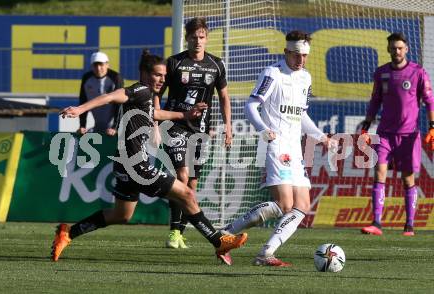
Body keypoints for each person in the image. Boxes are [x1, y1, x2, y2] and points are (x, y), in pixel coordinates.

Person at [51, 50, 247, 262]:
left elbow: (155, 113)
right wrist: (81, 109)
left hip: (125, 164)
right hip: (137, 166)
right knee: (187, 194)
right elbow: (110, 96)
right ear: (144, 73)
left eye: (164, 76)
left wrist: (185, 115)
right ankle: (219, 241)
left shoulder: (145, 96)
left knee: (121, 215)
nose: (162, 80)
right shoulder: (140, 89)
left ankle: (68, 233)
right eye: (157, 75)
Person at [220, 30, 334, 266]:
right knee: (284, 205)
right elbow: (251, 105)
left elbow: (301, 114)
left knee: (302, 206)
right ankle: (226, 233)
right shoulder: (273, 73)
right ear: (286, 52)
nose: (300, 60)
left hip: (294, 149)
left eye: (304, 56)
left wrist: (321, 137)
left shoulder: (306, 78)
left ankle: (266, 253)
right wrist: (263, 129)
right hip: (275, 145)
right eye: (295, 55)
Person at [155, 17, 232, 250]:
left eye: (201, 37)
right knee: (183, 177)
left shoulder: (216, 64)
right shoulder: (175, 63)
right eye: (193, 37)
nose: (197, 41)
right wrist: (156, 117)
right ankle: (173, 233)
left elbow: (224, 97)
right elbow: (158, 90)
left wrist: (228, 126)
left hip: (200, 131)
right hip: (175, 126)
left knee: (192, 186)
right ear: (186, 38)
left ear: (206, 38)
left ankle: (179, 231)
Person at [360, 32, 434, 236]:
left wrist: (433, 126)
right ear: (388, 49)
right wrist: (366, 125)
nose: (396, 51)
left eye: (400, 48)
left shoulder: (418, 72)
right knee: (379, 173)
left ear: (406, 49)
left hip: (409, 135)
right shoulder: (382, 73)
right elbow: (375, 100)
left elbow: (429, 101)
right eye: (393, 48)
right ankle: (377, 223)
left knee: (408, 179)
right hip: (384, 133)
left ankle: (409, 224)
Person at [78, 51, 124, 136]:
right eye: (95, 65)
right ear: (92, 66)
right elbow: (83, 101)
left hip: (114, 128)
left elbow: (119, 104)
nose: (98, 68)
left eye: (101, 65)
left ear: (107, 64)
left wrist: (115, 127)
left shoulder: (116, 77)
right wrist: (82, 125)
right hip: (97, 125)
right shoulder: (87, 78)